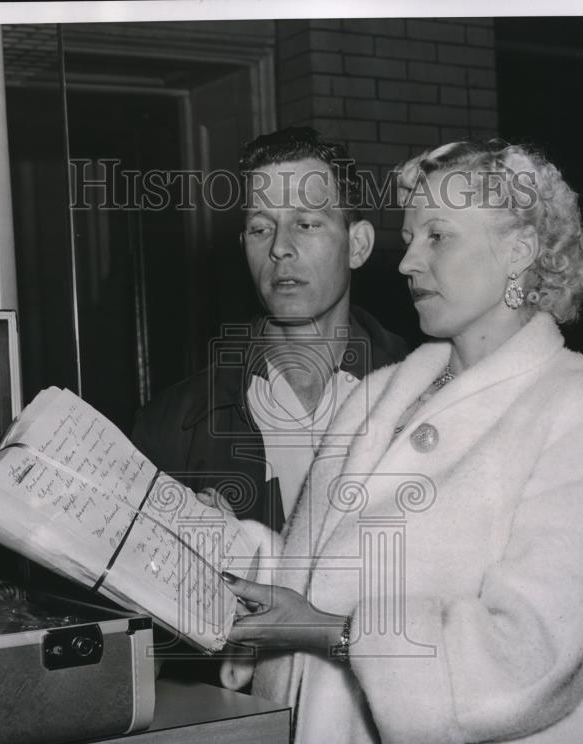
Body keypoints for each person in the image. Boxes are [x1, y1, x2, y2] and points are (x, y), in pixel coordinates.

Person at [218, 140, 583, 744]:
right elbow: (315, 579)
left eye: (437, 237)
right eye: (410, 237)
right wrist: (216, 545)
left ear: (519, 252)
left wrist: (325, 633)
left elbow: (532, 654)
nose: (407, 263)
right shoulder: (376, 398)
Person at [130, 126, 409, 677]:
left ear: (357, 244)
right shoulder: (174, 422)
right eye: (261, 227)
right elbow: (143, 642)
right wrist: (194, 563)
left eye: (306, 223)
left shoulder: (424, 398)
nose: (280, 247)